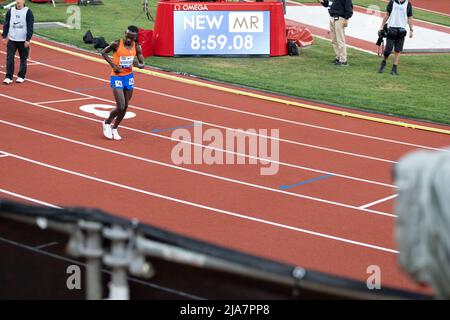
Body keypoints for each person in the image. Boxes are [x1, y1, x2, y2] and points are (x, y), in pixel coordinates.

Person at [101, 26, 144, 140]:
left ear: (135, 38)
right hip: (117, 76)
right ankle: (107, 123)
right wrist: (113, 65)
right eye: (127, 36)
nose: (129, 40)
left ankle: (115, 128)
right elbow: (104, 52)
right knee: (120, 106)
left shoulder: (137, 46)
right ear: (125, 33)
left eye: (132, 38)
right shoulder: (116, 43)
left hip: (128, 77)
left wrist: (139, 65)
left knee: (125, 107)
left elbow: (141, 61)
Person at [2, 0, 34, 85]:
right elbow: (6, 24)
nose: (18, 1)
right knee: (9, 58)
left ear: (23, 1)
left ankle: (21, 76)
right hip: (12, 40)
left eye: (20, 0)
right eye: (17, 0)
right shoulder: (10, 11)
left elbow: (30, 26)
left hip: (23, 40)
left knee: (23, 59)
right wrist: (4, 36)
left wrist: (28, 39)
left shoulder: (28, 12)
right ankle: (8, 77)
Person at [377, 0, 413, 75]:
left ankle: (394, 68)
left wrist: (411, 29)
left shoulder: (408, 4)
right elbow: (387, 14)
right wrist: (382, 26)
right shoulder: (392, 2)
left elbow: (409, 17)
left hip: (401, 30)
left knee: (398, 50)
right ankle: (384, 62)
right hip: (391, 29)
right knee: (388, 50)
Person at [319, 0, 353, 66]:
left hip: (340, 19)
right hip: (332, 17)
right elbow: (328, 4)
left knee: (340, 40)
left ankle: (343, 60)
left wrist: (346, 19)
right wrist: (323, 2)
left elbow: (349, 8)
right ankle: (338, 57)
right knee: (334, 40)